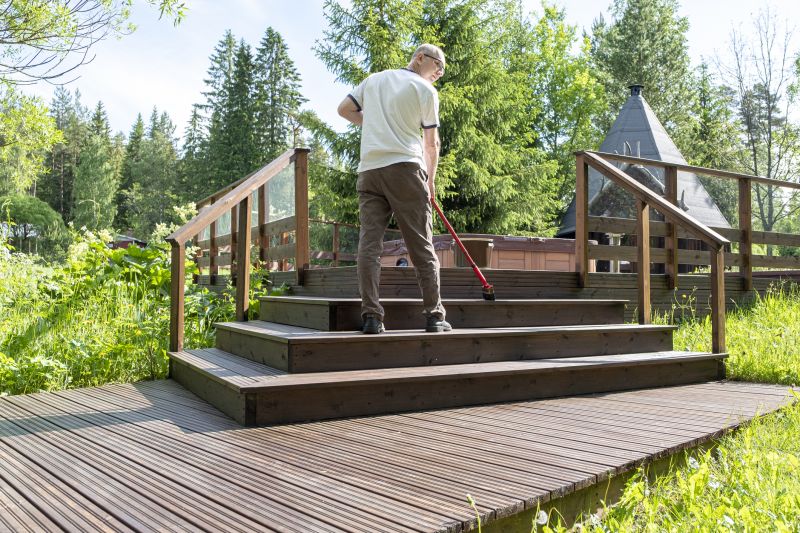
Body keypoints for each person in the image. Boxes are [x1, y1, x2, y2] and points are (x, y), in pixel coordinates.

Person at [337, 44, 451, 334]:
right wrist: (431, 180)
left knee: (369, 245)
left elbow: (344, 109)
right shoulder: (425, 91)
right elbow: (431, 143)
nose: (440, 72)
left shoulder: (373, 80)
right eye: (438, 65)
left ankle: (372, 317)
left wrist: (372, 123)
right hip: (405, 169)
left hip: (369, 171)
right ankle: (435, 316)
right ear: (420, 58)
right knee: (421, 243)